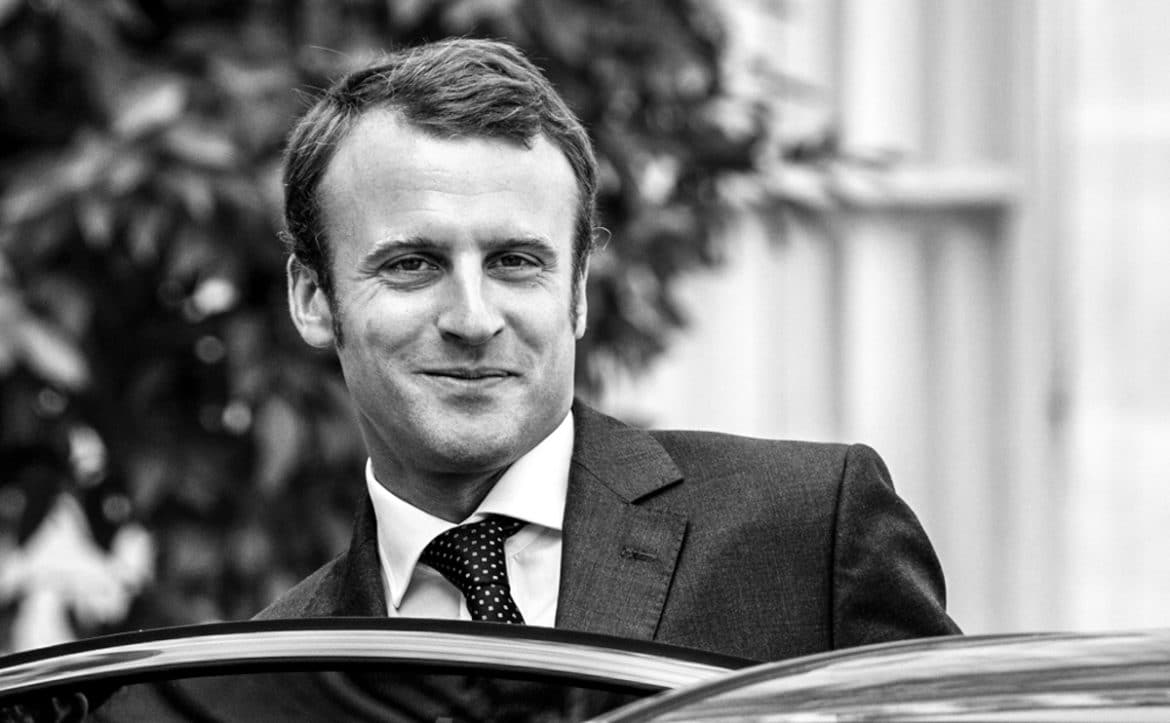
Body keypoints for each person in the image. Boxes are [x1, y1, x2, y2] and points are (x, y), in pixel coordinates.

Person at [256, 37, 960, 661]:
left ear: (579, 292)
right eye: (412, 264)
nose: (473, 319)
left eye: (516, 262)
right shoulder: (257, 675)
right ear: (313, 299)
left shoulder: (811, 534)